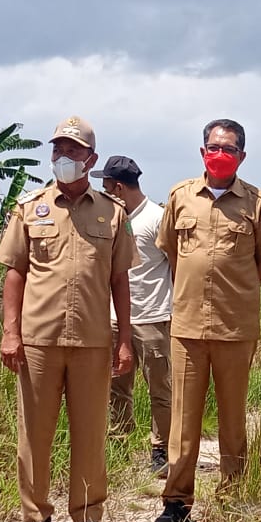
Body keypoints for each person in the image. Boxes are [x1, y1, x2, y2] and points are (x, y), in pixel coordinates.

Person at [0, 116, 138, 522]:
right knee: (34, 431)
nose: (63, 157)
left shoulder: (112, 213)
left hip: (93, 340)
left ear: (91, 159)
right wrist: (10, 332)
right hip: (38, 340)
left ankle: (89, 518)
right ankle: (35, 517)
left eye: (73, 151)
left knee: (91, 432)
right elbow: (15, 274)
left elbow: (119, 281)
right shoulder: (29, 208)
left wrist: (125, 340)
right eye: (58, 149)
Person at [153, 118, 261, 522]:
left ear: (242, 156)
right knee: (183, 421)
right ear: (202, 152)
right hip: (188, 327)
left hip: (235, 327)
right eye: (213, 147)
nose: (220, 154)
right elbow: (172, 253)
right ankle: (177, 502)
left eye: (228, 149)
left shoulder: (258, 203)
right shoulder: (180, 197)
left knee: (232, 418)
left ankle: (233, 498)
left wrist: (238, 292)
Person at [94, 155, 174, 477]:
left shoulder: (157, 219)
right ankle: (119, 444)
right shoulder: (110, 219)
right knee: (116, 386)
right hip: (115, 320)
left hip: (153, 317)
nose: (103, 191)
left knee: (160, 388)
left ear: (117, 187)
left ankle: (161, 449)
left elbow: (177, 266)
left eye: (105, 186)